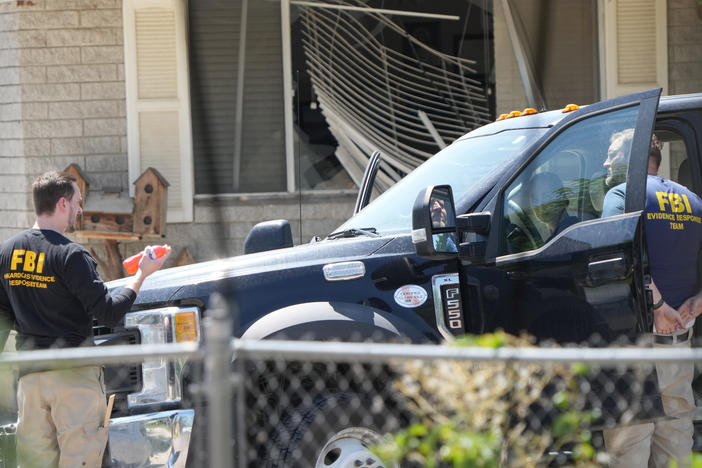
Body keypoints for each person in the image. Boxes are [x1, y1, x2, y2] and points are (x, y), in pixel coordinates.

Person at [0, 171, 171, 467]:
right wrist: (141, 275)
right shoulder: (70, 255)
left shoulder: (6, 253)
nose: (81, 210)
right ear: (63, 204)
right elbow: (108, 312)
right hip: (74, 378)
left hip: (29, 380)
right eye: (78, 203)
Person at [601, 134, 702, 467]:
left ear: (633, 155)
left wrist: (657, 307)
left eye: (612, 154)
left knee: (628, 446)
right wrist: (695, 304)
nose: (606, 162)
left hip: (638, 342)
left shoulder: (620, 196)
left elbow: (619, 258)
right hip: (679, 340)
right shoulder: (692, 200)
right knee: (676, 443)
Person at [527, 171, 578, 242]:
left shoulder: (571, 235)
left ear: (562, 198)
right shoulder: (557, 236)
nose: (540, 205)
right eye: (534, 199)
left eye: (546, 196)